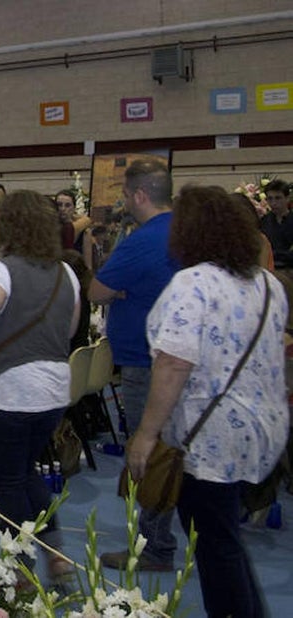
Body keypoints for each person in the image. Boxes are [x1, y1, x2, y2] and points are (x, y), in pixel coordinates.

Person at [127, 185, 288, 618]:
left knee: (216, 552)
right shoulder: (269, 284)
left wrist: (146, 434)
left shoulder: (193, 284)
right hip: (261, 430)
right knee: (226, 543)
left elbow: (173, 365)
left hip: (211, 438)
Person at [0, 189, 80, 585]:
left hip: (10, 390)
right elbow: (72, 327)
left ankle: (20, 565)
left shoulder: (3, 269)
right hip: (55, 390)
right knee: (26, 472)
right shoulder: (68, 273)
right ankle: (55, 553)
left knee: (7, 481)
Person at [88, 158, 180, 572]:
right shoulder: (185, 232)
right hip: (173, 361)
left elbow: (98, 289)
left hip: (146, 362)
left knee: (149, 455)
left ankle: (153, 545)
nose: (123, 201)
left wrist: (119, 292)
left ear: (140, 195)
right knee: (171, 452)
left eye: (125, 194)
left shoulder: (141, 241)